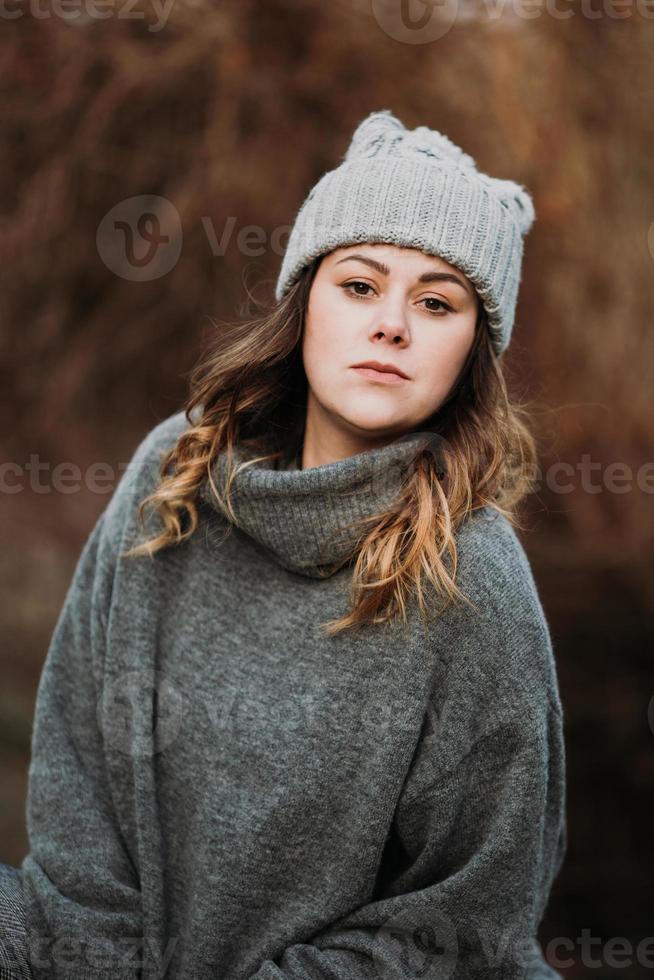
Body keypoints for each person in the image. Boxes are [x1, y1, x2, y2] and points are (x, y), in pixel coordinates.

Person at [1, 109, 567, 979]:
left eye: (436, 302)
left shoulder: (471, 576)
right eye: (359, 285)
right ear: (303, 302)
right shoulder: (175, 476)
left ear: (473, 352)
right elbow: (79, 788)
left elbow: (462, 922)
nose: (392, 326)